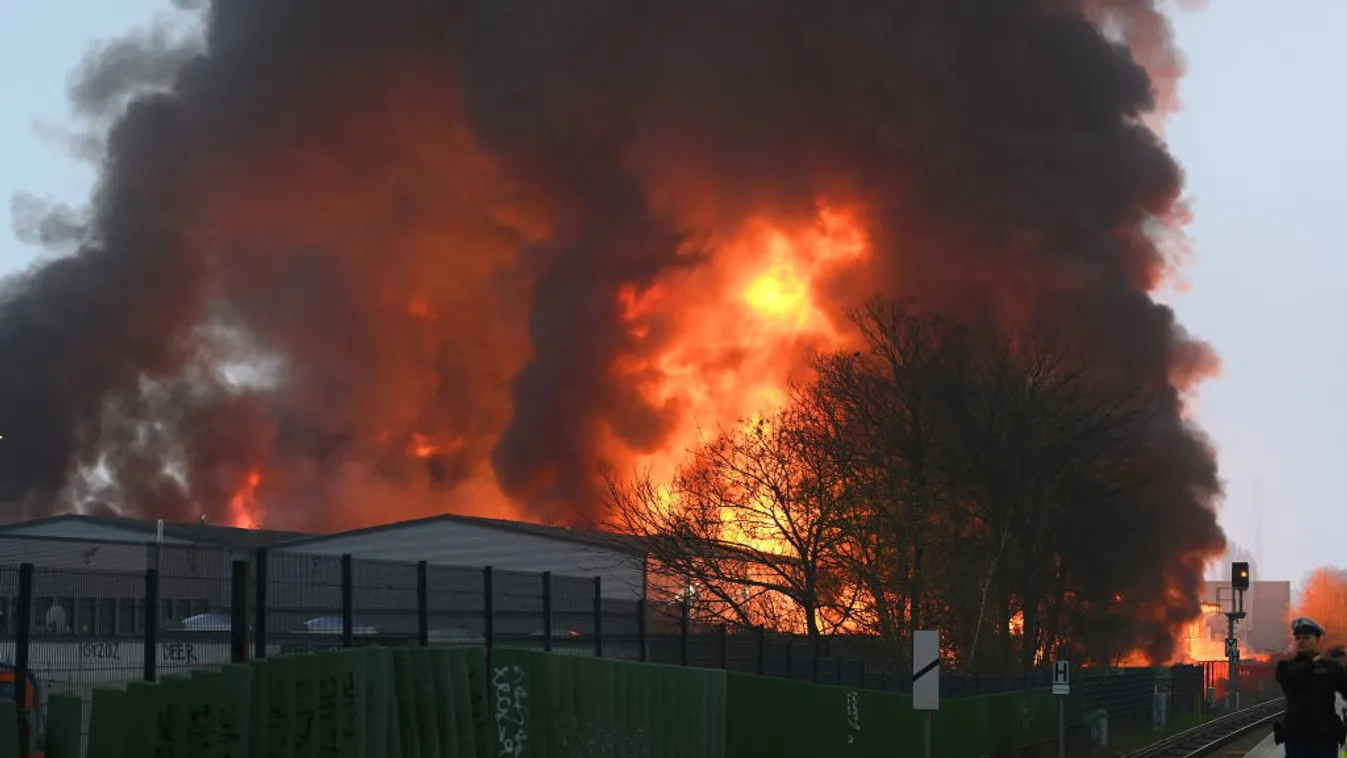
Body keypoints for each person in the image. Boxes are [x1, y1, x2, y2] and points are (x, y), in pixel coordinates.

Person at [1275, 616, 1347, 758]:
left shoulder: (1330, 668)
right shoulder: (1285, 667)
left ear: (1317, 641)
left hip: (1325, 737)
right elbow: (1292, 678)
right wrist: (1317, 661)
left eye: (1307, 638)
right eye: (1298, 638)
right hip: (1297, 738)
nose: (1301, 641)